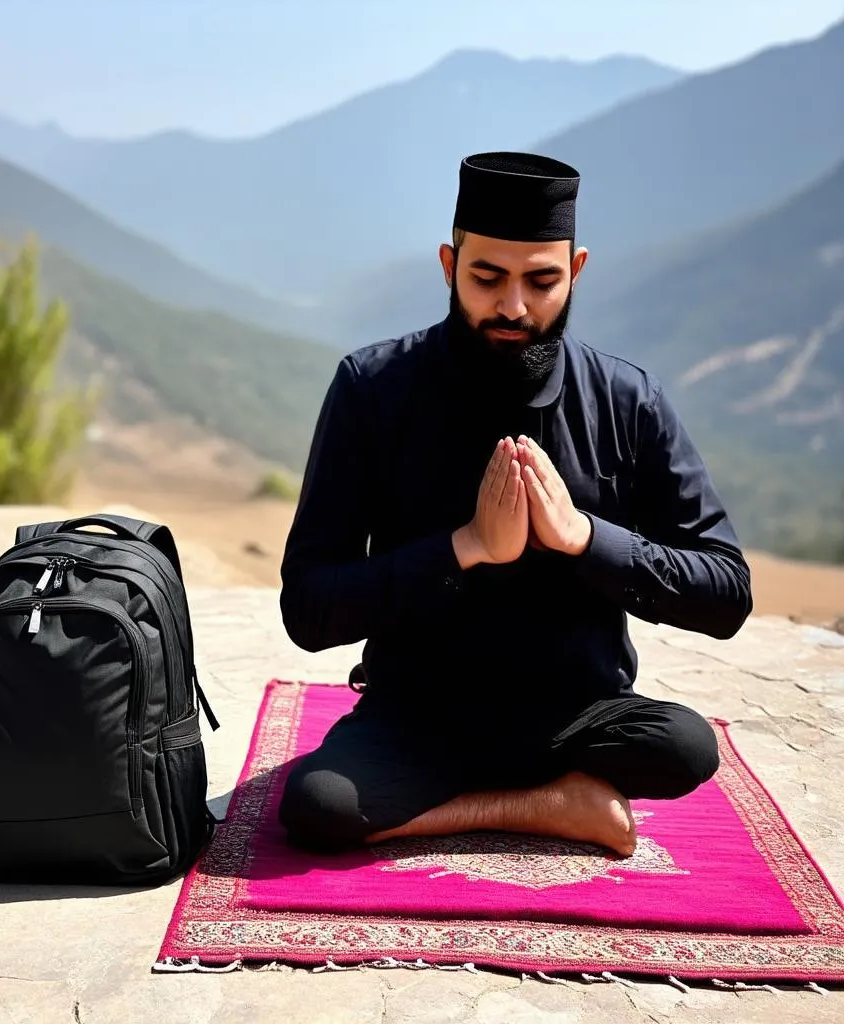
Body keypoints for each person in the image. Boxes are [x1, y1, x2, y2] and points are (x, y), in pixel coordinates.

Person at [276, 151, 752, 858]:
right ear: (448, 264)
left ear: (577, 271)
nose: (514, 307)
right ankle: (555, 806)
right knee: (320, 806)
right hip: (417, 714)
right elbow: (308, 609)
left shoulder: (627, 401)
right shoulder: (372, 390)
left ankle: (491, 802)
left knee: (684, 747)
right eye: (487, 277)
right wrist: (462, 548)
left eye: (542, 280)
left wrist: (585, 539)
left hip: (578, 715)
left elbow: (727, 592)